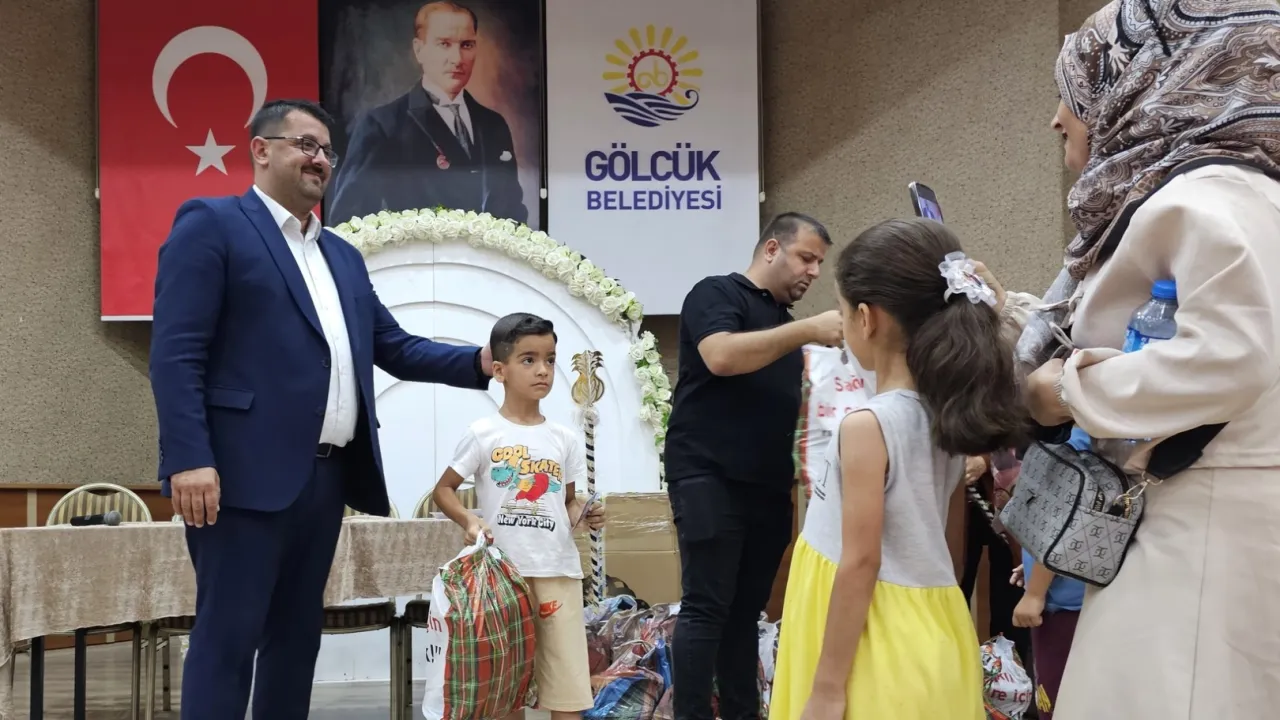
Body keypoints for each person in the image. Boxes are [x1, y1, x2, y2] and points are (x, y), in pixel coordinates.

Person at [149, 98, 495, 720]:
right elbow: (176, 355)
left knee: (296, 639)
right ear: (260, 149)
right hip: (238, 477)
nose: (320, 160)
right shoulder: (213, 224)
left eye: (328, 151)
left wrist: (479, 361)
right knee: (228, 637)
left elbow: (393, 346)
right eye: (305, 145)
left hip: (325, 479)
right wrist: (189, 457)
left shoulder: (341, 255)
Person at [1016, 2, 1280, 717]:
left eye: (1079, 86)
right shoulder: (1246, 193)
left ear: (1147, 78)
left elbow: (1228, 359)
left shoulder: (1207, 198)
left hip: (1200, 541)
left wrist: (1065, 392)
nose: (1059, 118)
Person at [770, 218, 1021, 720]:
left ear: (866, 318)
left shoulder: (868, 425)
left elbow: (861, 562)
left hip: (869, 643)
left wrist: (827, 688)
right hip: (933, 625)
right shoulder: (948, 412)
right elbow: (949, 550)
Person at [665, 212, 842, 720]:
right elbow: (720, 356)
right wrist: (808, 330)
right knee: (706, 607)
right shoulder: (717, 293)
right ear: (771, 249)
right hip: (708, 475)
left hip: (768, 487)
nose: (813, 272)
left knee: (746, 615)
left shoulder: (788, 326)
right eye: (806, 257)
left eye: (819, 263)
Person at [432, 312, 605, 720]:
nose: (543, 370)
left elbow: (567, 502)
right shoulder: (483, 433)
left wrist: (586, 512)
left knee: (567, 690)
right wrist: (469, 520)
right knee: (505, 690)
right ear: (499, 370)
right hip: (501, 579)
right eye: (529, 359)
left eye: (550, 359)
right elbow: (443, 490)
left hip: (557, 571)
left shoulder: (564, 438)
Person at [327, 1, 528, 226]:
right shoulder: (382, 125)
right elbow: (349, 221)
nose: (457, 59)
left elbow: (512, 211)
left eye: (467, 45)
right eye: (444, 44)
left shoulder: (493, 124)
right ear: (419, 50)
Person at [1009, 428, 1088, 720]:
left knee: (1054, 701)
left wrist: (1036, 591)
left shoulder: (1071, 447)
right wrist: (1033, 567)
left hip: (1063, 604)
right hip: (1075, 588)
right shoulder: (1095, 440)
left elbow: (1058, 522)